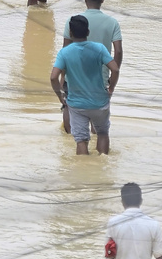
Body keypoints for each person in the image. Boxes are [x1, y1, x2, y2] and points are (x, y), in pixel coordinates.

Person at [50, 14, 119, 155]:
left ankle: (83, 172)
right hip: (100, 102)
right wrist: (111, 87)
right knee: (102, 134)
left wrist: (60, 96)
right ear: (88, 32)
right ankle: (102, 168)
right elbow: (115, 69)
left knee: (81, 140)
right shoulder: (99, 48)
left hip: (77, 105)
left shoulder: (64, 53)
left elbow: (53, 77)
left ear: (70, 33)